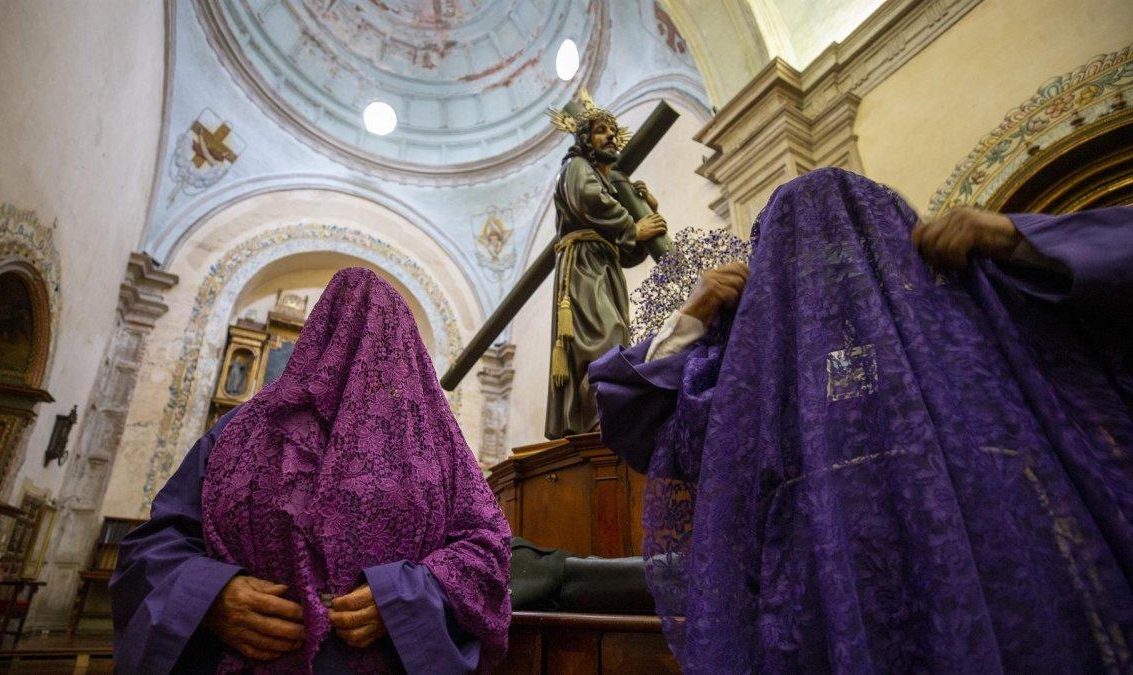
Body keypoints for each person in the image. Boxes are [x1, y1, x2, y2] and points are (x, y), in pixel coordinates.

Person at [590, 167, 1133, 672]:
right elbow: (634, 412)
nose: (834, 265)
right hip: (814, 603)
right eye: (804, 252)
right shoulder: (755, 370)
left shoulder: (962, 311)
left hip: (995, 576)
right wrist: (692, 316)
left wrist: (1014, 239)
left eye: (852, 244)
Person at [111, 268, 512, 674]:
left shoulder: (437, 444)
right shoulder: (239, 431)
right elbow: (155, 543)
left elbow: (487, 551)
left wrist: (406, 597)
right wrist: (212, 596)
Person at [543, 91, 669, 439]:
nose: (611, 137)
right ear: (586, 139)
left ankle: (607, 409)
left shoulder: (609, 182)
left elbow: (628, 252)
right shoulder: (576, 168)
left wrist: (648, 215)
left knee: (618, 336)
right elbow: (588, 200)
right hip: (583, 265)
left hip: (605, 266)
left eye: (613, 132)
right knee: (603, 335)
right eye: (601, 130)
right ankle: (598, 413)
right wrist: (632, 224)